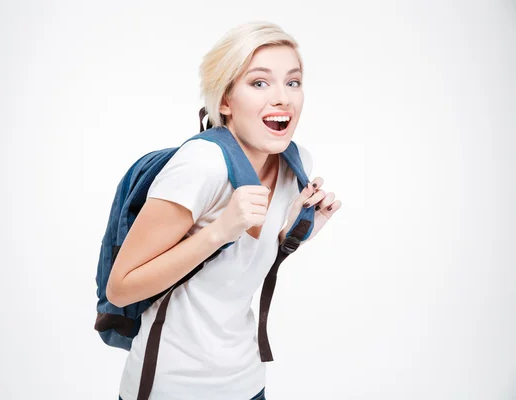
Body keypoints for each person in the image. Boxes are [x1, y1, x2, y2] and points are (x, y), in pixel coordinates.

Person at [108, 21, 342, 400]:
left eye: (293, 82)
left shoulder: (294, 163)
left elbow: (231, 275)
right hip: (171, 386)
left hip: (246, 381)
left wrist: (289, 237)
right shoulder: (202, 164)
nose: (282, 97)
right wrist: (218, 231)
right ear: (225, 101)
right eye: (260, 83)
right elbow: (120, 288)